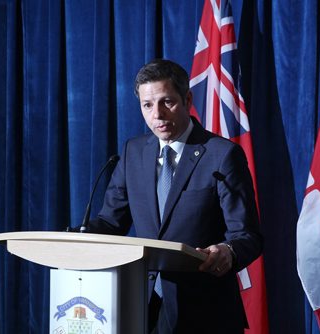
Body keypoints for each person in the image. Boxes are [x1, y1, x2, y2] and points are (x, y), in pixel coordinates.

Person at [85, 59, 263, 333]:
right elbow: (110, 223)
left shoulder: (221, 155)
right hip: (141, 309)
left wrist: (227, 251)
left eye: (166, 102)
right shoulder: (133, 152)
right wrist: (78, 236)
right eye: (147, 105)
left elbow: (248, 236)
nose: (157, 115)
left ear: (187, 99)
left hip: (205, 312)